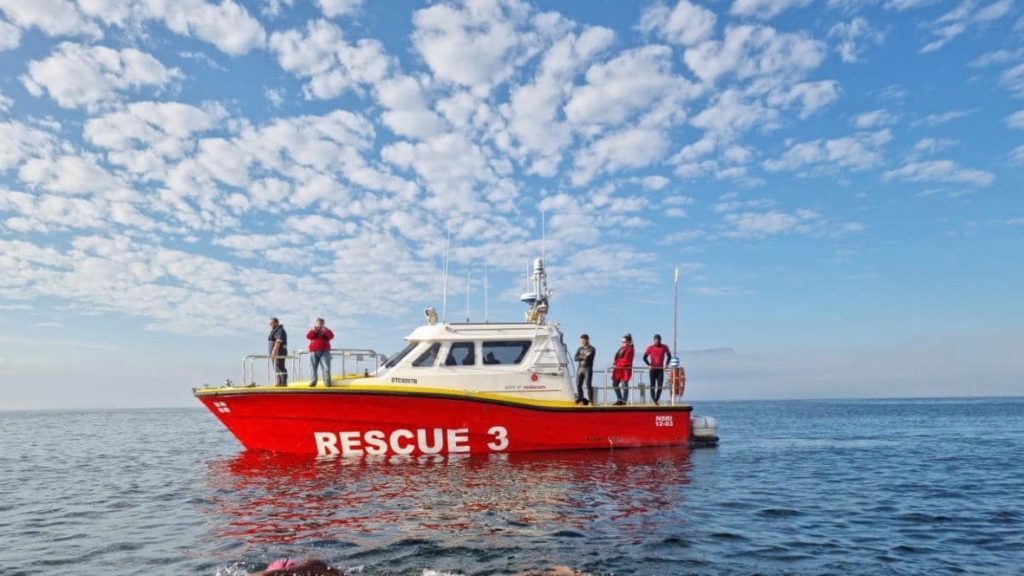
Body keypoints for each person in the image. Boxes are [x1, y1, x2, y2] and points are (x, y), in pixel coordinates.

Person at [643, 334, 672, 405]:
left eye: (658, 340)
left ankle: (656, 399)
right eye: (655, 340)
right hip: (652, 370)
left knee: (660, 386)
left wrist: (667, 364)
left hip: (660, 370)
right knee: (652, 386)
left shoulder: (664, 347)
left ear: (660, 340)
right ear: (653, 340)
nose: (657, 342)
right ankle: (654, 401)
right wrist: (649, 365)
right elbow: (644, 358)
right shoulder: (650, 348)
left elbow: (669, 356)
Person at [307, 318, 334, 387]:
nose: (320, 325)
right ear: (316, 324)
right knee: (313, 367)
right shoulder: (313, 330)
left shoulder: (327, 330)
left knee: (326, 368)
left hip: (324, 351)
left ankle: (327, 383)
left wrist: (326, 331)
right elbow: (308, 336)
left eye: (321, 324)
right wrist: (313, 331)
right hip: (313, 351)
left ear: (323, 324)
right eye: (318, 323)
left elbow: (331, 336)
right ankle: (313, 382)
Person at [611, 333, 634, 406]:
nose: (622, 343)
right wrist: (615, 363)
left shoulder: (630, 349)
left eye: (624, 342)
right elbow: (617, 357)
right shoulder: (621, 349)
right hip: (618, 369)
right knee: (615, 384)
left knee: (624, 384)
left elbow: (626, 360)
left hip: (625, 370)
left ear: (628, 342)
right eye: (622, 342)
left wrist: (617, 363)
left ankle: (624, 401)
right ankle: (619, 399)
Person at [573, 334, 596, 405]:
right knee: (578, 385)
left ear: (587, 340)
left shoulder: (592, 348)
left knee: (588, 385)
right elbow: (575, 358)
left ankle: (591, 401)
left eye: (583, 340)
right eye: (581, 341)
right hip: (580, 369)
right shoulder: (580, 349)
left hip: (587, 369)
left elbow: (588, 357)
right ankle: (581, 400)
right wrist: (583, 356)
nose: (582, 342)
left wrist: (581, 356)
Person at [268, 317, 288, 386]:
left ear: (276, 323)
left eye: (271, 323)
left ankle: (283, 382)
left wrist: (274, 351)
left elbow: (278, 341)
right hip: (275, 353)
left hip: (279, 352)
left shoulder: (280, 330)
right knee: (277, 367)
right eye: (270, 323)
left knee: (280, 366)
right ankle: (279, 382)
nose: (270, 325)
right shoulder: (274, 331)